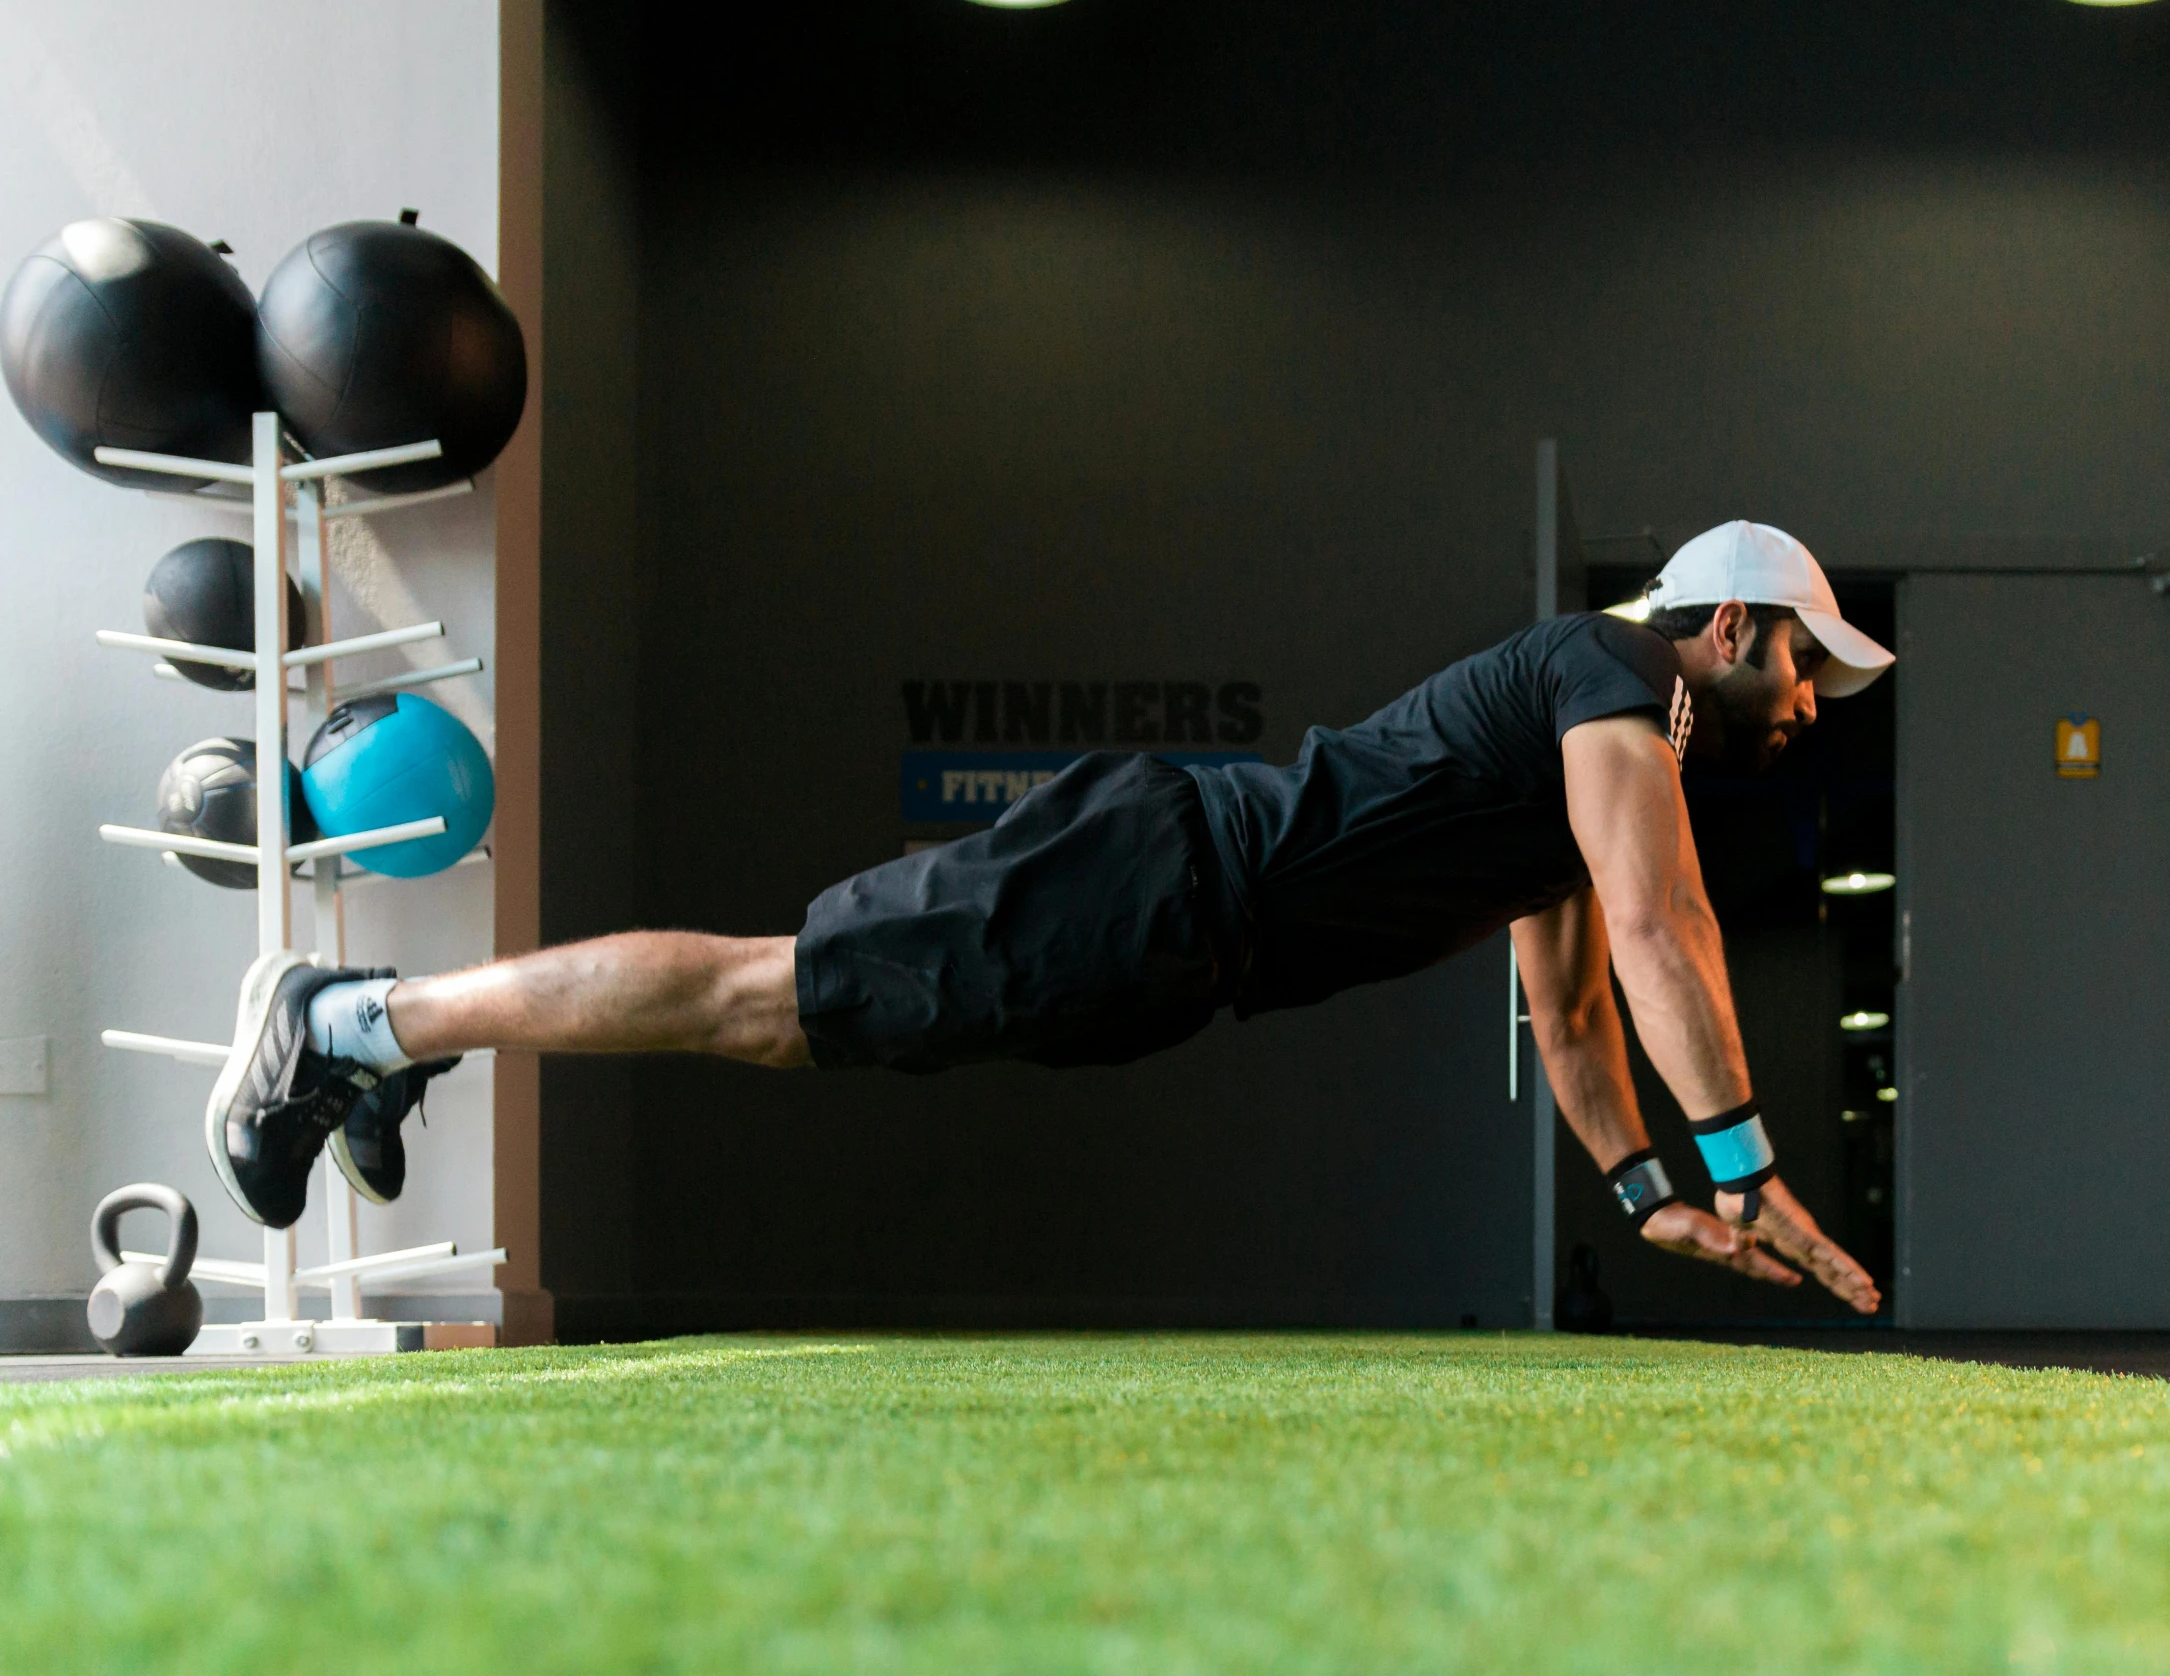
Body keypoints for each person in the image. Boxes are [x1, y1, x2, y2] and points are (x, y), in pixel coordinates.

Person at [204, 519, 1892, 1314]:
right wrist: (1745, 1172)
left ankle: (372, 1038)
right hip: (1158, 876)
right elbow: (1666, 936)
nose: (1816, 698)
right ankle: (347, 1024)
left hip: (1170, 936)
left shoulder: (1598, 769)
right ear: (1730, 623)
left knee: (784, 1015)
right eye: (1810, 659)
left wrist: (1643, 1188)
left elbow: (1584, 1001)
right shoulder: (1609, 677)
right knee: (764, 1002)